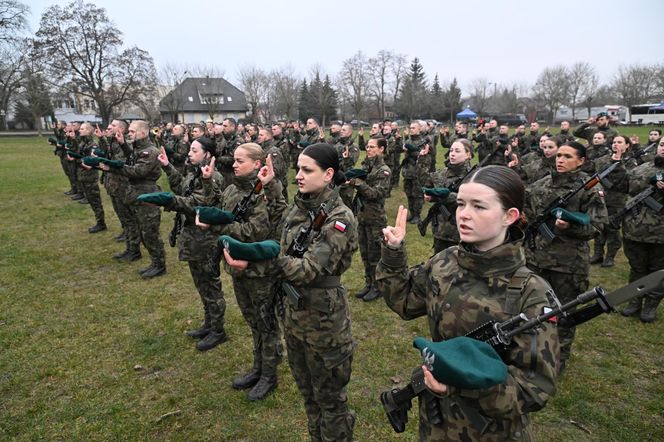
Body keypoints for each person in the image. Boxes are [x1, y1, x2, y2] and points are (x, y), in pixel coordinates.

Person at [376, 166, 559, 441]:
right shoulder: (445, 260)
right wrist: (393, 253)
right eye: (461, 203)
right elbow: (404, 302)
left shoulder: (531, 293)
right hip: (436, 422)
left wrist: (460, 385)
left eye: (479, 206)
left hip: (490, 431)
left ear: (510, 216)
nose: (463, 214)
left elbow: (534, 390)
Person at [224, 143, 358, 441]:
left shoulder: (339, 219)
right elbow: (281, 221)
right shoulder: (303, 204)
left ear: (328, 174)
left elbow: (308, 269)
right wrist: (268, 185)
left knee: (330, 404)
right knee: (309, 398)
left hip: (324, 327)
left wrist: (261, 258)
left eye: (307, 170)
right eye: (298, 168)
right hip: (295, 321)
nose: (298, 175)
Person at [524, 141, 608, 371]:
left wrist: (569, 227)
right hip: (536, 259)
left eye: (567, 156)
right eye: (559, 155)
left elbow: (599, 225)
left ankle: (558, 359)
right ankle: (532, 351)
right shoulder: (541, 185)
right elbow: (528, 215)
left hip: (567, 265)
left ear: (581, 161)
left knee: (563, 313)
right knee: (533, 309)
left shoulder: (588, 189)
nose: (560, 160)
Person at [156, 137, 227, 351]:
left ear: (207, 154)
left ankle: (218, 330)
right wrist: (168, 167)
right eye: (190, 149)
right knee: (201, 284)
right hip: (193, 238)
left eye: (195, 150)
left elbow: (198, 203)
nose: (189, 153)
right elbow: (182, 187)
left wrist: (169, 201)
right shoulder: (193, 172)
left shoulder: (213, 177)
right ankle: (209, 323)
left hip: (206, 240)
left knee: (211, 285)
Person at [99, 120, 166, 278]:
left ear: (142, 133)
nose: (129, 134)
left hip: (148, 195)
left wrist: (113, 167)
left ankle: (160, 265)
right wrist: (123, 144)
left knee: (150, 233)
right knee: (143, 231)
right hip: (137, 193)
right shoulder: (139, 148)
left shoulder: (150, 151)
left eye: (132, 132)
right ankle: (154, 262)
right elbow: (131, 159)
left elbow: (137, 171)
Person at [619, 139, 664, 323]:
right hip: (635, 230)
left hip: (661, 235)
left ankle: (651, 304)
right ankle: (635, 301)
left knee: (658, 271)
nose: (663, 148)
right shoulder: (642, 168)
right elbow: (627, 188)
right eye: (662, 145)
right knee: (637, 268)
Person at [349, 137, 391, 302]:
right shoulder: (367, 166)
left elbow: (377, 194)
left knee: (375, 256)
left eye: (373, 147)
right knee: (365, 254)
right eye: (367, 146)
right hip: (363, 217)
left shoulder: (383, 170)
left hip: (376, 219)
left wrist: (359, 184)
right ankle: (369, 283)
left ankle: (378, 286)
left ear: (381, 149)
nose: (369, 149)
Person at [590, 135, 637, 267]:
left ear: (627, 145)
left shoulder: (631, 161)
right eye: (614, 142)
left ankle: (610, 256)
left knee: (613, 228)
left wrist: (618, 164)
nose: (616, 144)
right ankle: (597, 254)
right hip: (602, 198)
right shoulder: (604, 159)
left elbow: (629, 179)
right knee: (599, 226)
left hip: (618, 200)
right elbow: (597, 175)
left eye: (620, 142)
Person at [421, 139, 473, 253]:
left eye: (457, 151)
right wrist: (423, 159)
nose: (452, 154)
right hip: (440, 231)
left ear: (468, 154)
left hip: (462, 231)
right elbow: (423, 181)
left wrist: (448, 196)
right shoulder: (442, 173)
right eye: (451, 151)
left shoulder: (473, 176)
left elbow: (471, 199)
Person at [70, 122, 106, 233]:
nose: (80, 130)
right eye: (80, 129)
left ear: (89, 131)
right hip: (83, 175)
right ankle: (99, 221)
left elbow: (91, 160)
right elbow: (78, 153)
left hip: (90, 176)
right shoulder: (82, 142)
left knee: (95, 201)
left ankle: (101, 223)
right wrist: (73, 140)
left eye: (83, 129)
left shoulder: (93, 144)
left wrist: (81, 161)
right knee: (90, 200)